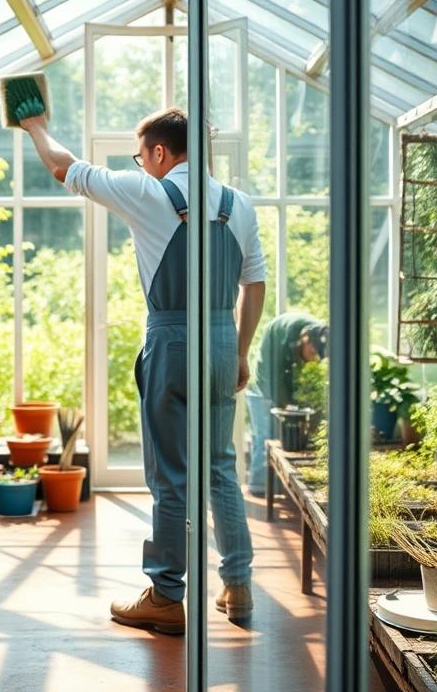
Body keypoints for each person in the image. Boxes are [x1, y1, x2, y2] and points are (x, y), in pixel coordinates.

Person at [20, 107, 266, 633]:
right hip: (222, 338)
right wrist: (240, 350)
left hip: (172, 338)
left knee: (170, 473)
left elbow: (65, 168)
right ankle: (238, 585)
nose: (143, 164)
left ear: (158, 152)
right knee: (221, 465)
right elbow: (255, 283)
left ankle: (165, 594)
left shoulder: (149, 192)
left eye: (143, 156)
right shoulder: (236, 203)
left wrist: (36, 125)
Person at [245, 313, 328, 496]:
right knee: (263, 436)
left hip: (272, 384)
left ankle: (274, 487)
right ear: (306, 340)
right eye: (313, 353)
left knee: (273, 436)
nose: (313, 359)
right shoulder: (290, 333)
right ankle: (258, 487)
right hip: (260, 387)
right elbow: (273, 376)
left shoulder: (314, 332)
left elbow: (286, 376)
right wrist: (286, 405)